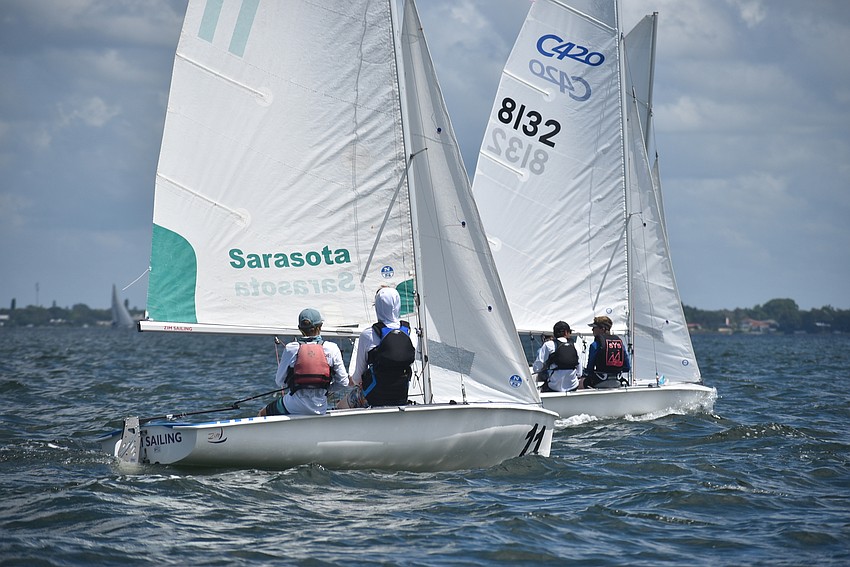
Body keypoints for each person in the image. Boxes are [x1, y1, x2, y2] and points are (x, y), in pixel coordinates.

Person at [259, 308, 349, 416]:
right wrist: (325, 388)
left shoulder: (291, 348)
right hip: (320, 408)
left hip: (293, 406)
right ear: (320, 326)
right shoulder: (332, 348)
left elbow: (279, 381)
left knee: (262, 413)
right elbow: (344, 382)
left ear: (300, 328)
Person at [347, 286, 418, 407]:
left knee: (342, 404)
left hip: (374, 397)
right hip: (400, 396)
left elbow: (358, 376)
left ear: (378, 307)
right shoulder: (411, 333)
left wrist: (352, 381)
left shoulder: (368, 334)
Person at [582, 315, 630, 389]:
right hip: (617, 381)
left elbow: (590, 369)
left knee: (580, 382)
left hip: (600, 381)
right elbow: (627, 367)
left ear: (602, 329)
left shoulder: (595, 345)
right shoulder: (620, 343)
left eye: (594, 327)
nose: (592, 330)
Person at [533, 321, 582, 392]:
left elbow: (537, 368)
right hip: (572, 386)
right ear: (565, 332)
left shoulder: (548, 345)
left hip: (554, 387)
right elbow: (579, 373)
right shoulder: (575, 346)